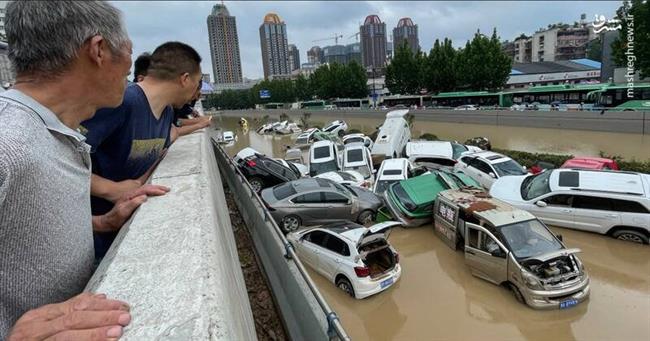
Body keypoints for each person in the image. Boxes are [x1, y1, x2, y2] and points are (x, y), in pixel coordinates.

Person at [0, 1, 167, 339]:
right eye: (129, 54)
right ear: (99, 50)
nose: (131, 73)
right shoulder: (9, 144)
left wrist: (103, 222)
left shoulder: (54, 133)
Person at [81, 42, 203, 258]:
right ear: (184, 79)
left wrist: (138, 185)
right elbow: (58, 160)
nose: (196, 93)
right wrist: (111, 189)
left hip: (121, 233)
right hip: (90, 238)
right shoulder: (123, 102)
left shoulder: (166, 113)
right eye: (196, 83)